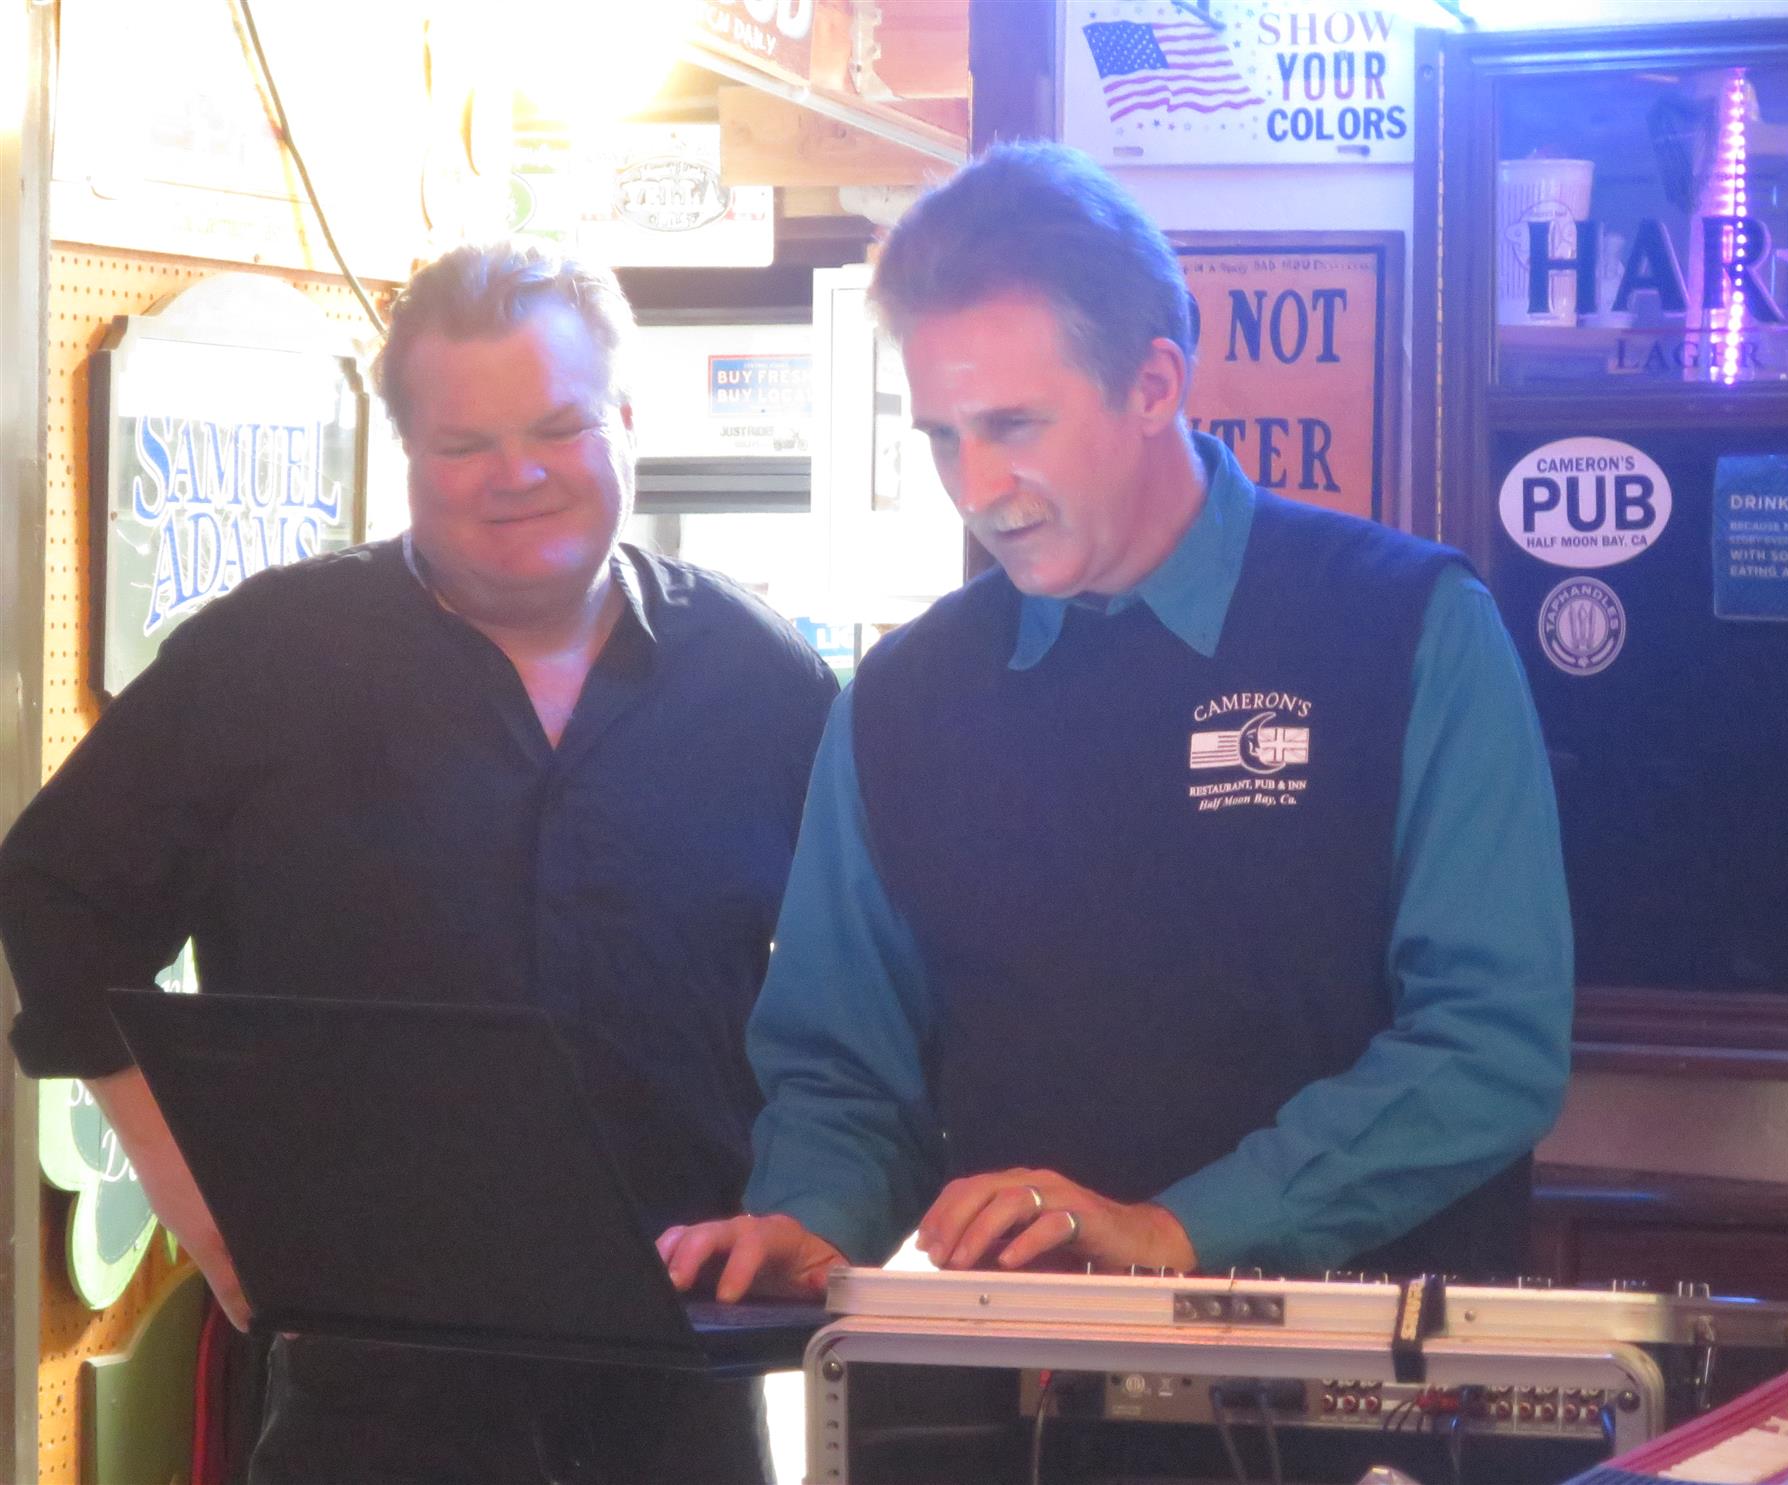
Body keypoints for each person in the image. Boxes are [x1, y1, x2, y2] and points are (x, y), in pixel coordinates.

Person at [660, 142, 1573, 1306]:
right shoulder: (899, 696)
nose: (975, 488)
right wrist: (810, 1221)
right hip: (1002, 1377)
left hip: (1363, 1375)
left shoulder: (1405, 624)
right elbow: (844, 1074)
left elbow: (1492, 1041)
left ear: (1153, 385)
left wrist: (1180, 1233)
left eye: (1015, 425)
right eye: (942, 435)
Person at [0, 243, 838, 1483]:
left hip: (684, 1388)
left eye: (557, 427)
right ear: (407, 455)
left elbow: (866, 997)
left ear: (623, 421)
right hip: (369, 1394)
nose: (517, 475)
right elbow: (56, 898)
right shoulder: (268, 658)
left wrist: (814, 1211)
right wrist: (200, 1204)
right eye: (464, 444)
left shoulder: (765, 679)